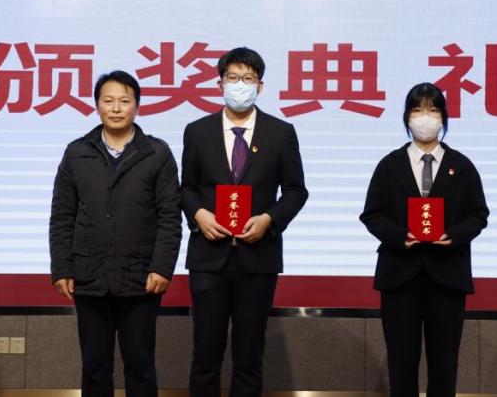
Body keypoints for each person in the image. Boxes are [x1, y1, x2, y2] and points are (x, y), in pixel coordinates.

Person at [181, 47, 308, 397]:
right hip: (209, 258)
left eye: (248, 79)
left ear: (260, 86)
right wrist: (199, 215)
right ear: (219, 83)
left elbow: (296, 191)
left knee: (249, 357)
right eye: (233, 78)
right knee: (205, 355)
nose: (240, 85)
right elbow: (186, 188)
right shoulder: (197, 131)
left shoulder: (281, 133)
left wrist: (269, 219)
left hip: (258, 258)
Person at [49, 70, 182, 397]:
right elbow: (62, 215)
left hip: (141, 278)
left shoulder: (157, 154)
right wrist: (62, 268)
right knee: (94, 366)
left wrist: (162, 267)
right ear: (97, 105)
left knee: (140, 364)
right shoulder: (77, 152)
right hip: (89, 275)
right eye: (108, 101)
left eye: (125, 101)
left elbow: (169, 216)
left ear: (137, 105)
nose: (116, 108)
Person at [360, 82, 489, 397]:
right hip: (399, 275)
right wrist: (398, 236)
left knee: (444, 362)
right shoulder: (390, 165)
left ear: (443, 116)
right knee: (401, 361)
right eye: (417, 110)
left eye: (432, 110)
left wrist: (454, 235)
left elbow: (478, 214)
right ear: (407, 117)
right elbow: (371, 214)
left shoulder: (461, 166)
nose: (425, 117)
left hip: (447, 275)